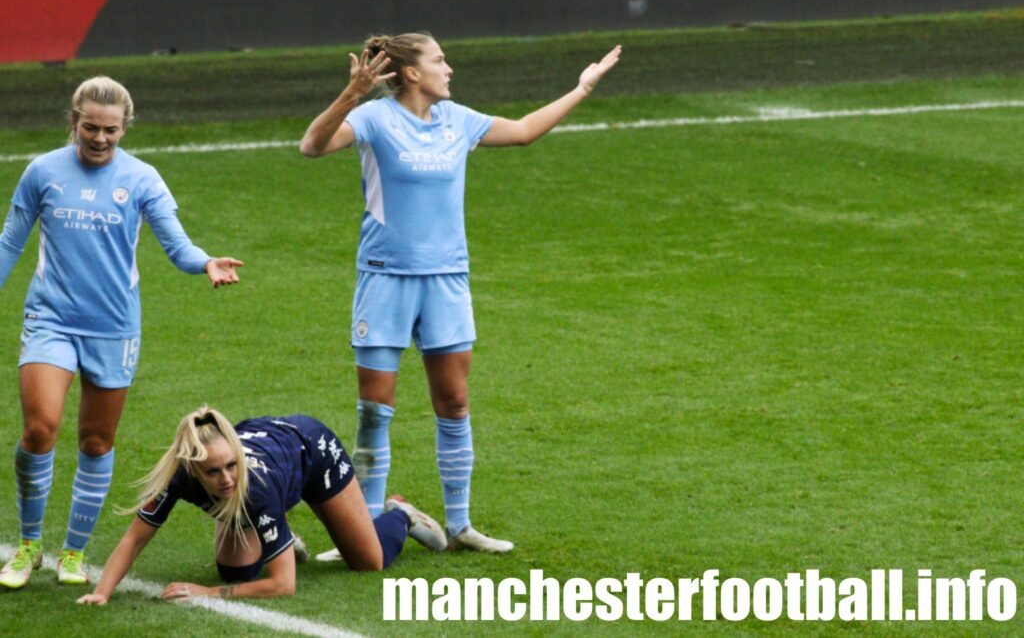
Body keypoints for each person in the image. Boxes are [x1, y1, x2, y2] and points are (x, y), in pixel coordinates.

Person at [300, 33, 621, 553]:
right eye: (439, 60)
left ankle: (460, 525)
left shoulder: (458, 120)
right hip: (385, 278)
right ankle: (366, 527)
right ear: (410, 73)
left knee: (453, 401)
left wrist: (581, 88)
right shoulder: (375, 119)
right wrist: (351, 95)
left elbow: (521, 132)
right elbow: (312, 145)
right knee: (374, 409)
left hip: (447, 280)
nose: (449, 68)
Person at [0, 76, 244, 590]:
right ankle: (27, 546)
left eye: (111, 130)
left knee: (95, 440)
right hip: (51, 320)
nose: (100, 138)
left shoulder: (142, 179)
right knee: (40, 428)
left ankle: (74, 551)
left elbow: (176, 246)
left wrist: (206, 263)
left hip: (114, 328)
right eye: (91, 127)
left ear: (124, 128)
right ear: (74, 122)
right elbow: (9, 244)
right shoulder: (43, 171)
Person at [75, 407, 445, 603]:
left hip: (313, 453)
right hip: (271, 465)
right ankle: (280, 535)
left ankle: (401, 515)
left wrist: (206, 594)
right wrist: (101, 593)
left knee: (368, 562)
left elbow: (284, 585)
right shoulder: (178, 475)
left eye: (231, 465)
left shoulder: (254, 486)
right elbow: (134, 539)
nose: (226, 478)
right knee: (236, 573)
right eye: (213, 471)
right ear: (192, 469)